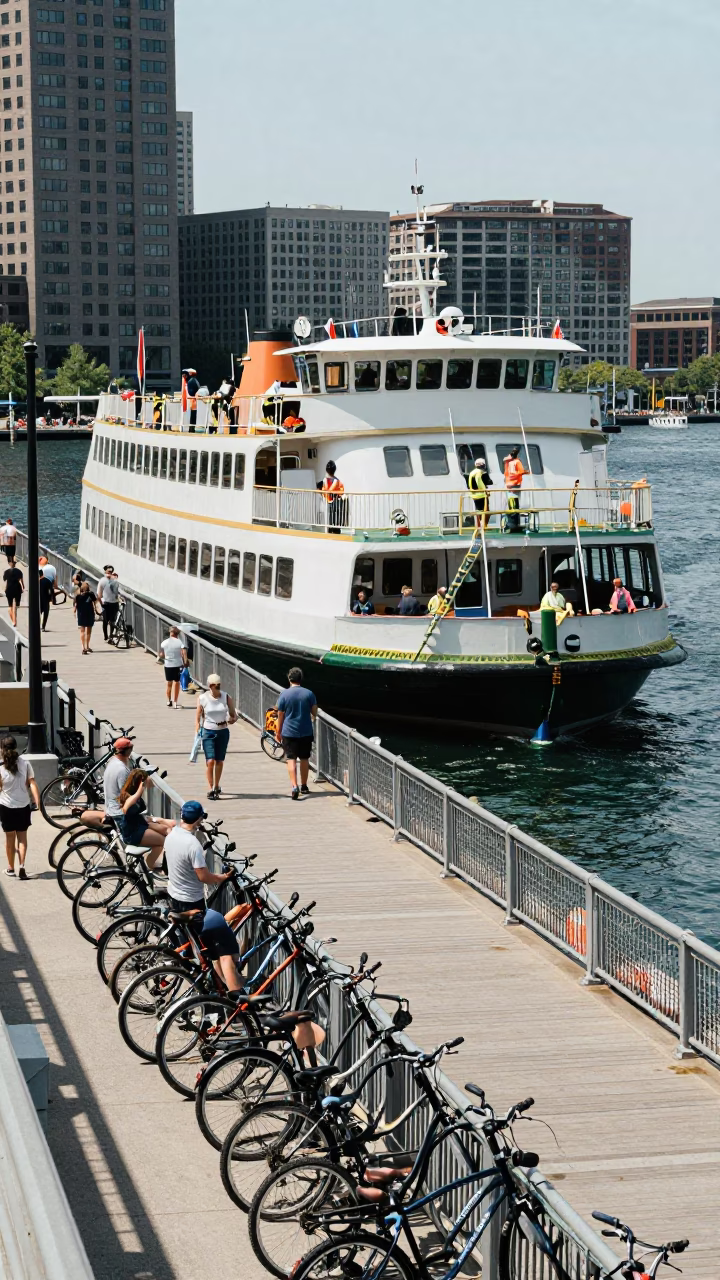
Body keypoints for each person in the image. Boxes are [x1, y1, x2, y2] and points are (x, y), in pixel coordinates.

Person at [164, 800, 241, 992]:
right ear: (199, 819)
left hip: (175, 898)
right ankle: (238, 1001)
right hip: (194, 905)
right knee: (226, 950)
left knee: (204, 947)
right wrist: (223, 877)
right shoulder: (193, 844)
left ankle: (216, 982)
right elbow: (204, 877)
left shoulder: (172, 834)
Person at [116, 768, 175, 869]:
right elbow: (125, 809)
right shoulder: (130, 797)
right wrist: (141, 788)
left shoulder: (134, 795)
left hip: (139, 826)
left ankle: (150, 865)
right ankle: (149, 867)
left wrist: (158, 820)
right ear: (141, 781)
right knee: (164, 841)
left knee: (166, 833)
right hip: (133, 832)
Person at [0, 735, 40, 880]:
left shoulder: (0, 766)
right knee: (22, 838)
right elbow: (32, 783)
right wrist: (38, 802)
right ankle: (22, 866)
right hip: (23, 806)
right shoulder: (25, 763)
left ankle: (11, 869)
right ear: (16, 747)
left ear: (2, 749)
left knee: (9, 839)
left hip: (6, 807)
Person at [276, 667, 317, 801]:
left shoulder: (284, 695)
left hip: (289, 732)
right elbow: (314, 712)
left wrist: (278, 732)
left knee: (291, 758)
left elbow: (280, 715)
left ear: (289, 678)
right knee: (304, 759)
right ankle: (304, 785)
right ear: (301, 679)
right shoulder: (309, 694)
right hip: (305, 731)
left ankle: (294, 786)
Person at [195, 674, 237, 800]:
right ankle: (211, 787)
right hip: (208, 731)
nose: (217, 689)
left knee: (219, 760)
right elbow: (198, 716)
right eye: (215, 686)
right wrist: (197, 729)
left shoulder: (226, 697)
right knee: (210, 761)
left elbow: (233, 714)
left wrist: (232, 719)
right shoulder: (202, 698)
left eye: (219, 686)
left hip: (223, 731)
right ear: (210, 686)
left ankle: (217, 784)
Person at [159, 625, 188, 707]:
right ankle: (175, 702)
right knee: (177, 682)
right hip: (178, 664)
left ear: (170, 632)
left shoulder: (164, 643)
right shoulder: (180, 643)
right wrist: (185, 662)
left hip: (168, 664)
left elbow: (161, 654)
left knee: (169, 683)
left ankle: (168, 700)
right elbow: (184, 653)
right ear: (177, 634)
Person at [73, 579, 101, 654]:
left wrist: (75, 613)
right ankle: (87, 646)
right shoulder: (91, 594)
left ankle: (83, 647)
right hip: (89, 613)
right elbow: (95, 602)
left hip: (81, 614)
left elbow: (75, 606)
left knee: (82, 631)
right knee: (88, 631)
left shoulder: (77, 595)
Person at [503, 447, 526, 532]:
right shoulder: (517, 462)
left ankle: (511, 524)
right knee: (515, 506)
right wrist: (526, 472)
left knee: (511, 505)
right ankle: (514, 525)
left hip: (508, 485)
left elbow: (507, 473)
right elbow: (521, 471)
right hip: (515, 485)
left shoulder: (507, 463)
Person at [97, 564, 121, 643]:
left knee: (112, 621)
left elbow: (117, 592)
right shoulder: (102, 581)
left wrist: (119, 599)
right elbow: (99, 595)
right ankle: (106, 636)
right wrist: (101, 603)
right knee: (106, 620)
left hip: (114, 603)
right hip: (106, 603)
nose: (109, 573)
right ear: (105, 571)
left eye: (111, 571)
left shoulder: (114, 580)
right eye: (108, 571)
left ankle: (111, 636)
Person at [322, 461, 345, 533]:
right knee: (337, 515)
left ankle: (330, 529)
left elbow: (323, 490)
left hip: (328, 501)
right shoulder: (337, 481)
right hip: (337, 501)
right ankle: (336, 529)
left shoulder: (325, 480)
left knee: (330, 515)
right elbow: (341, 491)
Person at [468, 458, 489, 529]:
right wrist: (484, 490)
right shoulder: (480, 472)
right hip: (481, 495)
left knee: (478, 512)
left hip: (474, 495)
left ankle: (479, 526)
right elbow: (479, 482)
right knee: (485, 511)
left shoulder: (471, 472)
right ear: (483, 465)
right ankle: (484, 526)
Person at [3, 556, 23, 627]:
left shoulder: (6, 572)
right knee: (16, 606)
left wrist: (5, 589)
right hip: (17, 588)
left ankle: (13, 621)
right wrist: (23, 587)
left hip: (9, 589)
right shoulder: (19, 571)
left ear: (9, 563)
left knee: (10, 606)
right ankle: (14, 620)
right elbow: (21, 581)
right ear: (15, 564)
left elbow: (6, 582)